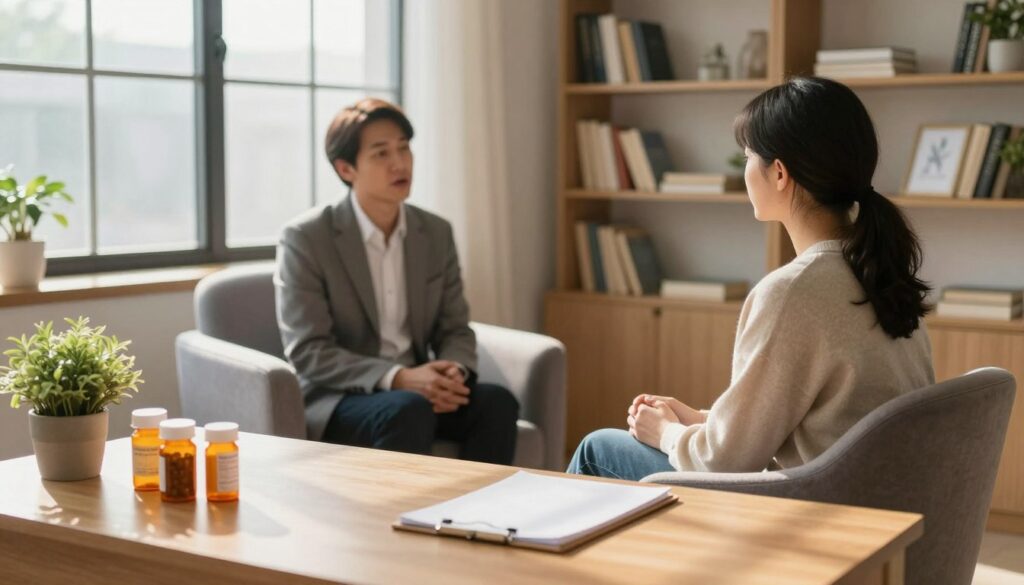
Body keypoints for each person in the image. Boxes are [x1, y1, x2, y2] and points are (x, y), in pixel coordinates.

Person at [567, 77, 935, 480]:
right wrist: (703, 419)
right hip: (867, 501)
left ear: (779, 173)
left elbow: (725, 463)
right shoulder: (880, 272)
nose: (745, 171)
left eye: (747, 157)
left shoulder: (793, 292)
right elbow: (815, 418)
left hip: (806, 512)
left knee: (596, 449)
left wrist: (667, 433)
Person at [275, 98, 519, 464]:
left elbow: (455, 328)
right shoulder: (307, 238)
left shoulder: (434, 232)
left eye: (404, 148)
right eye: (381, 153)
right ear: (346, 168)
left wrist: (452, 373)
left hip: (419, 391)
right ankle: (395, 521)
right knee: (407, 409)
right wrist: (398, 377)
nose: (400, 163)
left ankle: (483, 519)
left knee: (497, 402)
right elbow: (309, 351)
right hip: (343, 396)